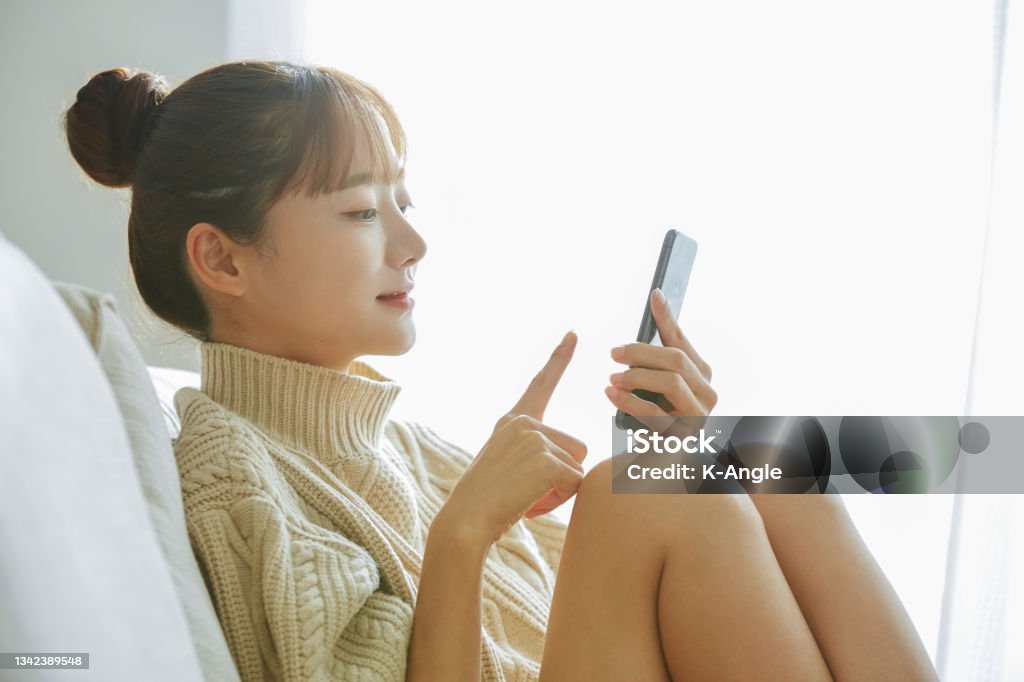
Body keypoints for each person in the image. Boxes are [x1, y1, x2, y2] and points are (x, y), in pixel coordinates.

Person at [62, 60, 938, 681]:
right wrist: (464, 533)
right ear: (222, 260)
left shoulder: (418, 454)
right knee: (636, 498)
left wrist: (685, 450)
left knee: (757, 461)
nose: (413, 243)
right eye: (364, 209)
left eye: (404, 201)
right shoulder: (230, 478)